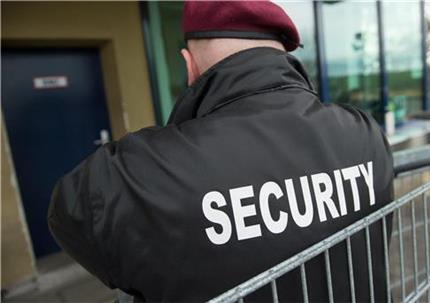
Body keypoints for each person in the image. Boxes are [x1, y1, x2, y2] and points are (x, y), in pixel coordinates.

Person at [47, 1, 394, 301]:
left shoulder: (140, 173)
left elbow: (70, 209)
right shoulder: (363, 132)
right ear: (284, 56)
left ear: (189, 65)